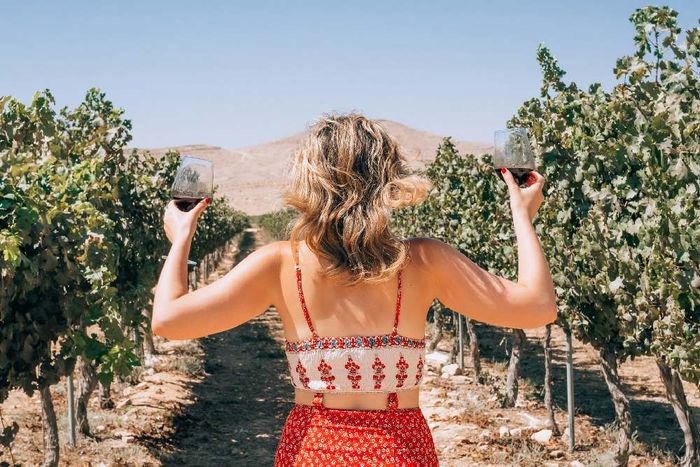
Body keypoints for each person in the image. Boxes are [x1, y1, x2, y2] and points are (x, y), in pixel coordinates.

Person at [152, 113, 557, 466]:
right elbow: (537, 307)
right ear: (388, 180)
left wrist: (180, 237)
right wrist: (522, 215)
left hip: (313, 447)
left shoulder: (280, 263)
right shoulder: (424, 260)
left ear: (310, 181)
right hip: (402, 450)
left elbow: (169, 320)